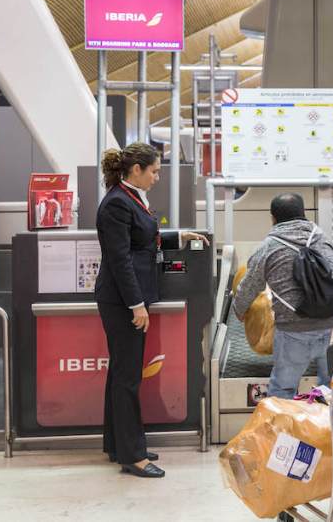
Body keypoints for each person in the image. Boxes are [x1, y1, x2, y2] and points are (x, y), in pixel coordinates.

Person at [94, 143, 207, 478]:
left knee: (120, 373)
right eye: (155, 171)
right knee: (128, 378)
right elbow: (120, 260)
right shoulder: (116, 203)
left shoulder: (128, 197)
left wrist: (176, 236)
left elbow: (141, 238)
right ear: (136, 170)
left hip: (127, 298)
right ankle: (134, 456)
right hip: (121, 300)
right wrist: (136, 304)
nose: (158, 177)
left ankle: (118, 445)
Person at [234, 192, 333, 399]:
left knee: (282, 392)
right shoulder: (323, 239)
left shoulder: (268, 247)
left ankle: (284, 431)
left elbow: (249, 286)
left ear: (273, 218)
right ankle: (332, 431)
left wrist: (239, 310)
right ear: (303, 214)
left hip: (294, 330)